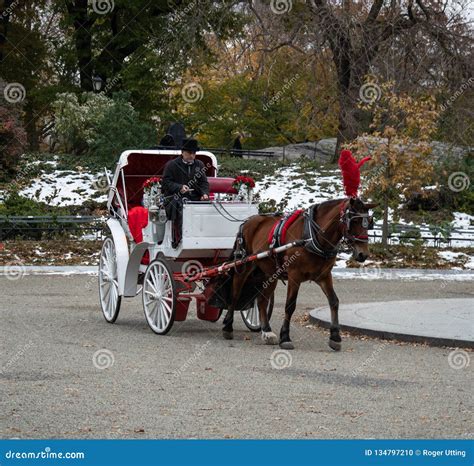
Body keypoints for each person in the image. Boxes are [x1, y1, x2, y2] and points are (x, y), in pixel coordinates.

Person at [161, 138, 210, 247]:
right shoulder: (172, 165)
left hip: (194, 197)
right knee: (182, 206)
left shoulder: (199, 164)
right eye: (189, 153)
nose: (192, 155)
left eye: (194, 153)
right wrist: (179, 187)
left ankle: (206, 235)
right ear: (182, 152)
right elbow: (166, 182)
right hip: (174, 197)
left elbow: (204, 182)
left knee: (209, 206)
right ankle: (181, 237)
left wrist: (204, 193)